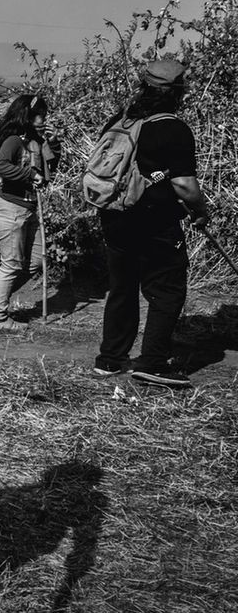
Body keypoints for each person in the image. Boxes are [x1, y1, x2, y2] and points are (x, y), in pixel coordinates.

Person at [92, 58, 211, 386]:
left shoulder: (123, 120)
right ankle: (153, 363)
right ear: (177, 91)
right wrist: (201, 212)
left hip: (115, 217)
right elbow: (185, 185)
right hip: (154, 222)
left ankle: (110, 359)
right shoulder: (173, 128)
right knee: (168, 290)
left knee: (122, 287)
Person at [0, 94, 61, 330]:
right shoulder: (13, 140)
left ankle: (1, 292)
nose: (43, 119)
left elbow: (48, 170)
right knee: (11, 264)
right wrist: (29, 174)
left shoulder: (36, 141)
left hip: (29, 210)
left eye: (44, 115)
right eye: (39, 114)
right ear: (26, 116)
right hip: (11, 210)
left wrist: (54, 144)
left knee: (36, 262)